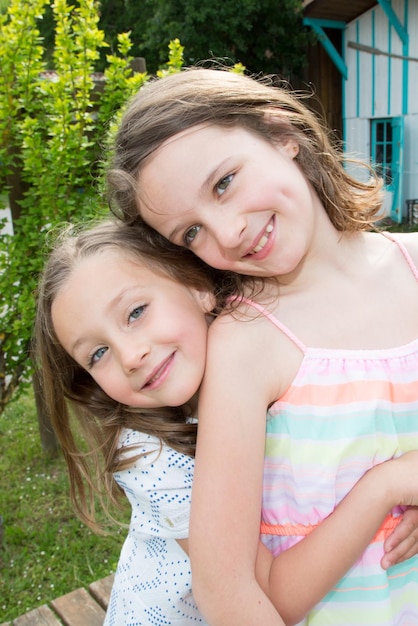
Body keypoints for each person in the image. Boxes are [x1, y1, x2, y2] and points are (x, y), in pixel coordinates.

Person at [105, 68, 418, 624]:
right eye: (192, 233)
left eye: (223, 183)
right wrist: (388, 485)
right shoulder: (246, 344)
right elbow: (225, 588)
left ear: (281, 133)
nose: (226, 234)